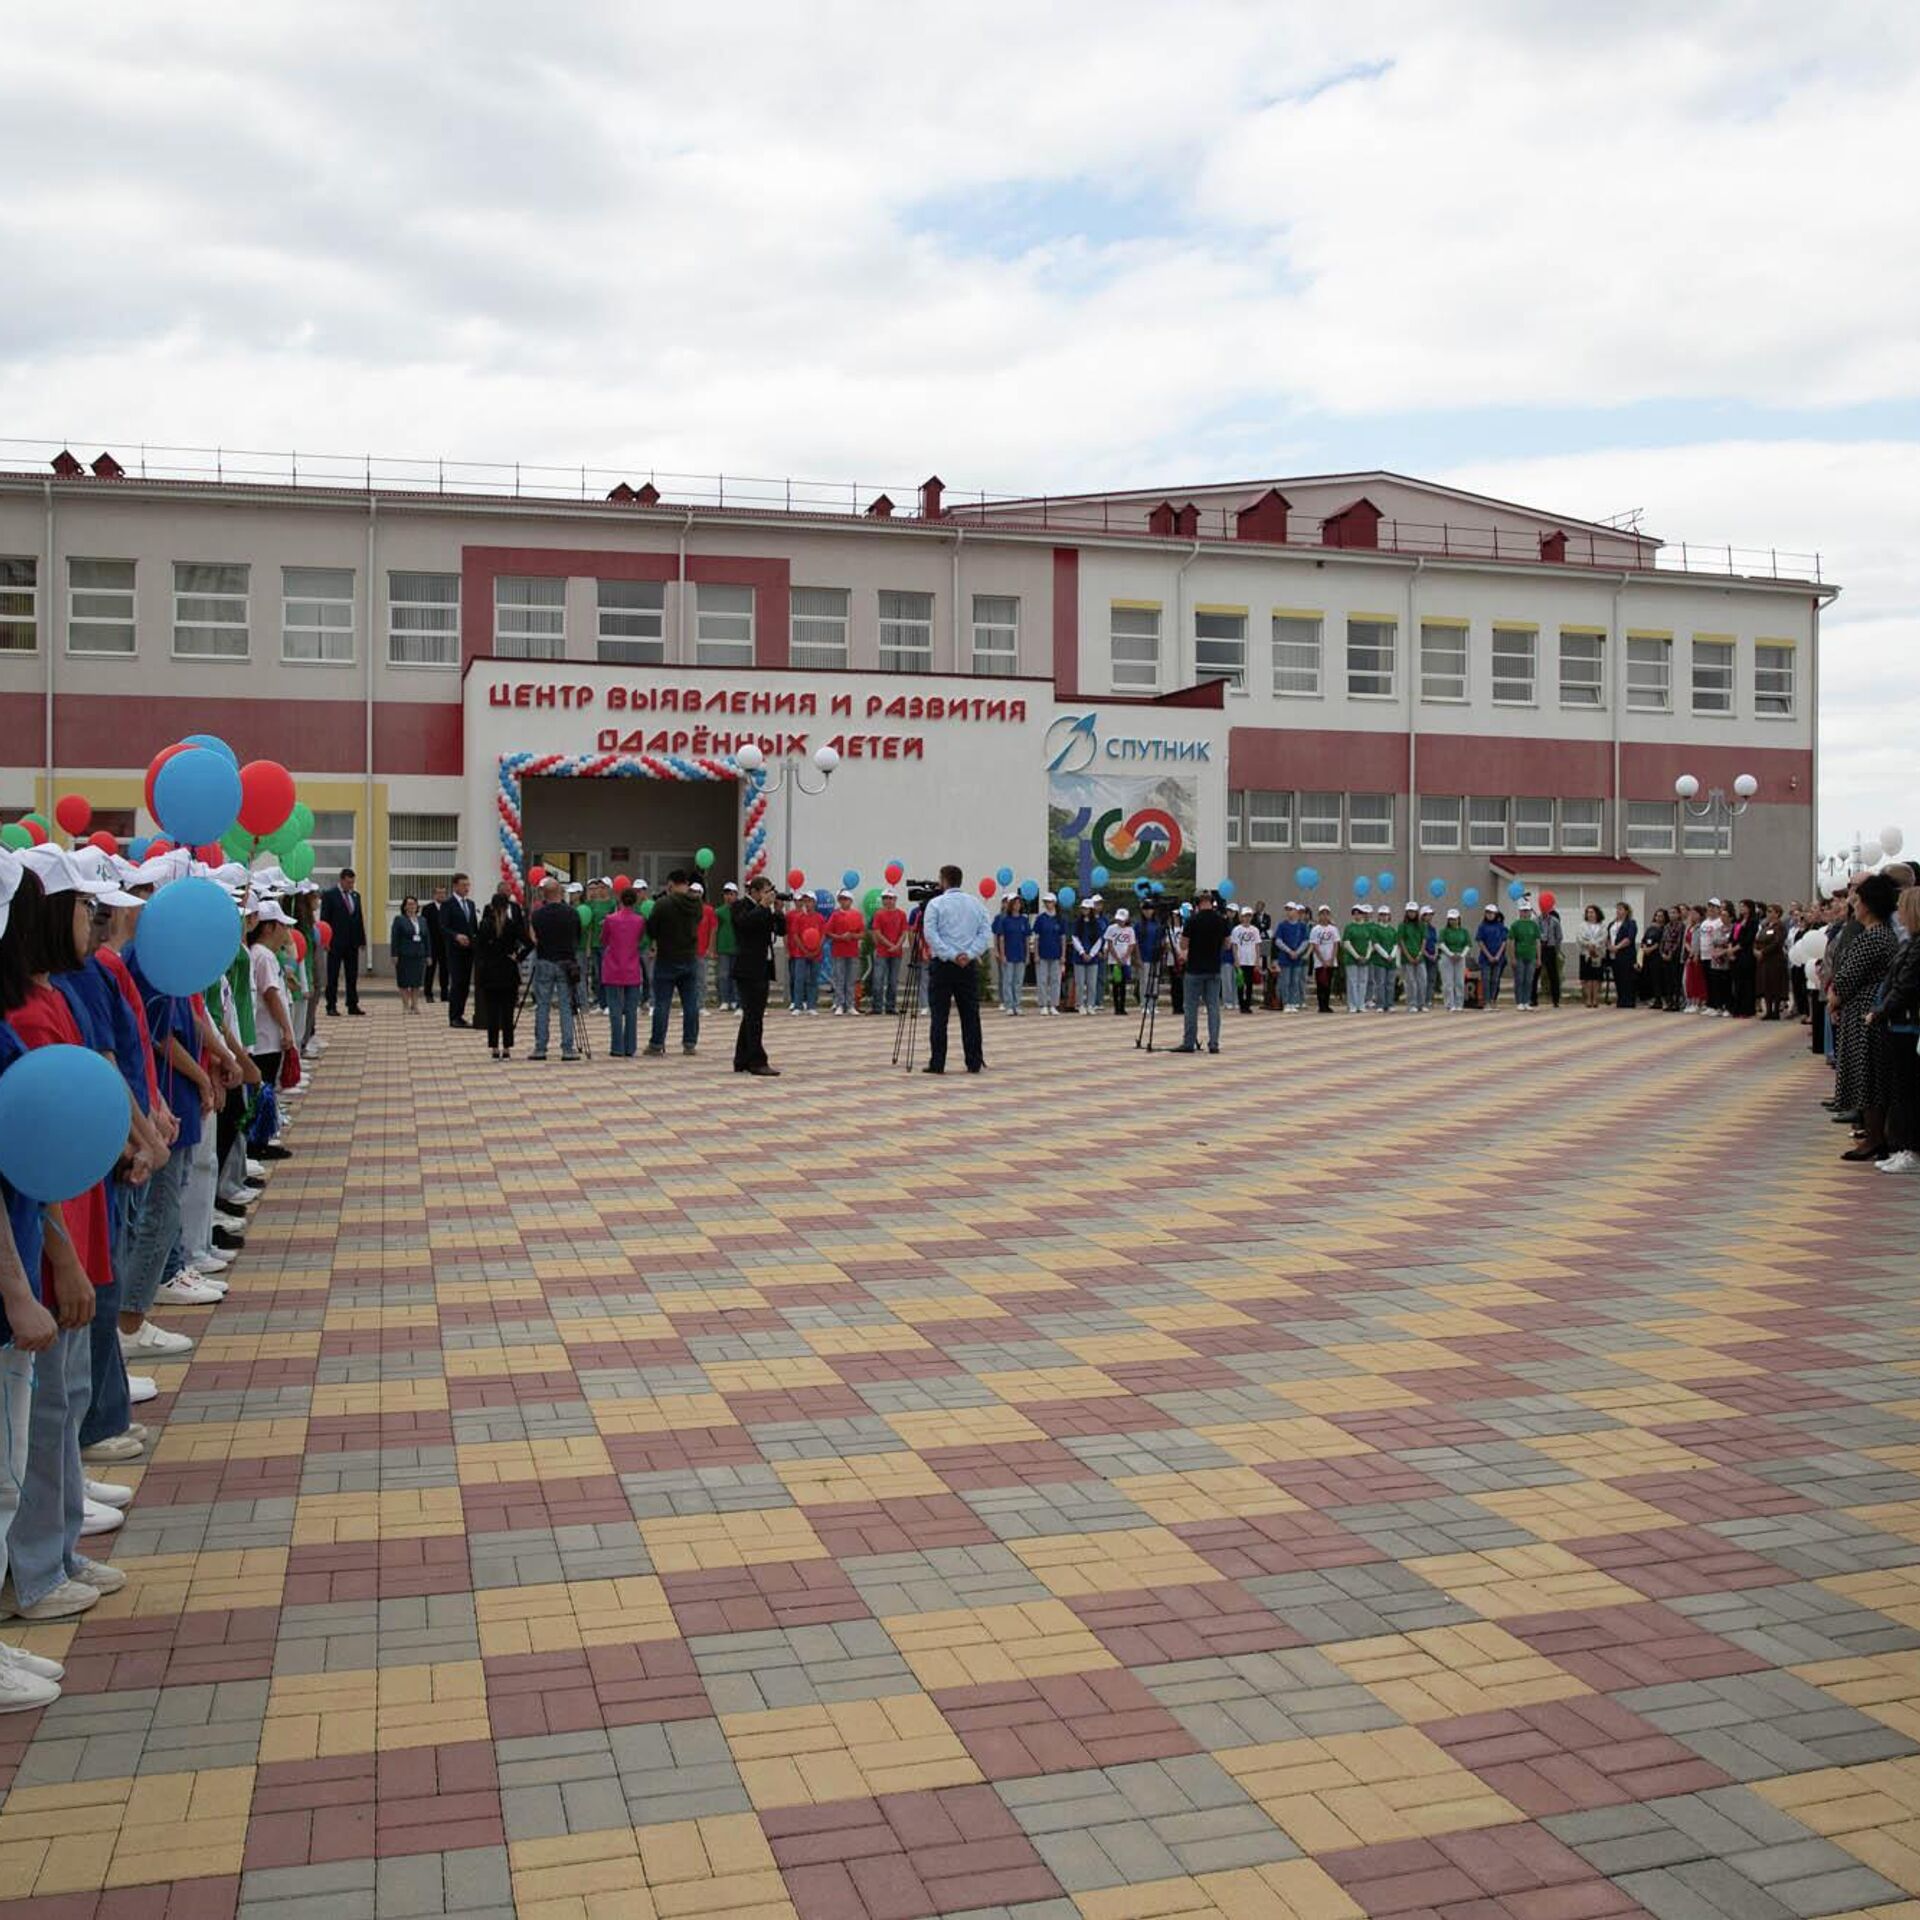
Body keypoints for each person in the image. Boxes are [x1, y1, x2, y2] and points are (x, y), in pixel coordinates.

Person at [1832, 871, 1900, 1146]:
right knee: (1865, 1074)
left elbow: (1848, 976)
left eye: (1858, 901)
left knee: (1868, 1076)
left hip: (1866, 1011)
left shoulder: (1874, 937)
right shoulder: (1878, 934)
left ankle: (1874, 1138)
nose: (1854, 906)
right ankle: (1871, 1134)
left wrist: (1836, 996)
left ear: (1869, 905)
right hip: (1861, 1008)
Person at [919, 865, 992, 1074]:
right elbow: (985, 933)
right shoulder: (976, 904)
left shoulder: (935, 904)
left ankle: (938, 1062)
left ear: (943, 880)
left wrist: (951, 954)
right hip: (967, 965)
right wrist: (968, 954)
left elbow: (931, 935)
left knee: (939, 1016)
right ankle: (974, 1060)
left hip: (943, 964)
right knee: (970, 1014)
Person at [1871, 887, 1920, 1174]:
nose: (1898, 914)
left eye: (1902, 907)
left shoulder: (1916, 947)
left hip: (1907, 1023)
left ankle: (1911, 1149)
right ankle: (1903, 1145)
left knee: (1908, 1090)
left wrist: (1880, 1010)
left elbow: (1905, 985)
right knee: (1901, 1089)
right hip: (1897, 1021)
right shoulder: (1910, 943)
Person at [728, 876, 786, 1075]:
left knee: (753, 1015)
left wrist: (778, 911)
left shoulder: (765, 910)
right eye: (765, 891)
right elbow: (743, 925)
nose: (768, 895)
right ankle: (757, 1061)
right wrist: (762, 906)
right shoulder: (740, 907)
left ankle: (741, 1059)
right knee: (754, 1016)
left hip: (763, 967)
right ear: (754, 891)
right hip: (747, 968)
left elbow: (781, 930)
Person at [646, 869, 704, 1055]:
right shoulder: (697, 904)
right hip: (689, 956)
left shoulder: (663, 904)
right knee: (690, 1003)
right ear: (686, 884)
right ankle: (690, 1043)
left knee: (662, 1003)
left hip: (667, 957)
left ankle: (656, 1044)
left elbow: (652, 929)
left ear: (670, 884)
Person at [526, 876, 582, 1062]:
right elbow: (577, 937)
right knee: (566, 1005)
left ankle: (540, 1047)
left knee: (543, 1005)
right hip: (566, 961)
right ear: (560, 893)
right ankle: (567, 1048)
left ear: (544, 894)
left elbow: (535, 938)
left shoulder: (537, 915)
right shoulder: (572, 913)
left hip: (544, 960)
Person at [1170, 892, 1230, 1053]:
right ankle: (1214, 1043)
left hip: (1195, 969)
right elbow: (1227, 945)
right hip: (1214, 968)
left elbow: (1183, 945)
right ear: (1212, 903)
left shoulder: (1192, 921)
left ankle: (1189, 1042)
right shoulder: (1222, 921)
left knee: (1191, 1007)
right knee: (1213, 1007)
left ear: (1197, 904)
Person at [474, 890, 528, 1059]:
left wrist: (482, 966)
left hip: (490, 972)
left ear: (491, 906)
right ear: (507, 907)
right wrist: (518, 957)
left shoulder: (484, 924)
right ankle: (507, 1047)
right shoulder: (512, 924)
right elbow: (530, 944)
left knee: (492, 1012)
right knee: (507, 1012)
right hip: (508, 971)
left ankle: (494, 1047)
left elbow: (478, 949)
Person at [600, 888, 647, 1057]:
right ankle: (630, 1046)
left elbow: (603, 939)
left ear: (620, 900)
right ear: (635, 901)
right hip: (632, 968)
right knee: (631, 1010)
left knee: (615, 1009)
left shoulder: (610, 919)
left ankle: (617, 1047)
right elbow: (639, 939)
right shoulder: (640, 920)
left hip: (612, 967)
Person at [319, 867, 367, 1016]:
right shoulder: (329, 895)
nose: (351, 885)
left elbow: (359, 919)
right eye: (348, 882)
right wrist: (325, 940)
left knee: (352, 975)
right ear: (341, 880)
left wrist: (362, 940)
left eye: (353, 882)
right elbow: (324, 919)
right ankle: (331, 1005)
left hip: (352, 943)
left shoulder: (355, 896)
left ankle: (352, 1004)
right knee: (333, 975)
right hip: (335, 943)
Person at [442, 872, 479, 1028]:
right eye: (464, 885)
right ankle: (454, 1016)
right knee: (457, 983)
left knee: (465, 984)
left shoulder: (470, 904)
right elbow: (443, 927)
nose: (466, 888)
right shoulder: (448, 904)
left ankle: (461, 1014)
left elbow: (473, 926)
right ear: (455, 886)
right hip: (455, 950)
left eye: (468, 885)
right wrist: (456, 936)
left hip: (469, 950)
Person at [826, 890, 866, 1015]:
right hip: (838, 952)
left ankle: (850, 1005)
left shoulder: (857, 915)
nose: (844, 901)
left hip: (852, 952)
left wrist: (852, 935)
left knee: (851, 980)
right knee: (839, 979)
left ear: (851, 901)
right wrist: (840, 937)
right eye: (841, 899)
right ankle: (839, 1004)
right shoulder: (835, 915)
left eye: (846, 899)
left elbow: (862, 934)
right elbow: (828, 932)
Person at [870, 887, 908, 1015]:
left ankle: (890, 1007)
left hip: (896, 953)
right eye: (885, 898)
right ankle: (877, 1007)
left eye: (890, 898)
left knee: (893, 981)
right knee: (878, 980)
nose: (887, 901)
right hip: (882, 952)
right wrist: (890, 944)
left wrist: (897, 945)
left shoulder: (901, 914)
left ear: (895, 899)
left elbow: (904, 932)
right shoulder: (878, 914)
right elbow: (877, 932)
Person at [389, 894, 427, 1014]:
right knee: (404, 981)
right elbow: (395, 937)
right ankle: (405, 1005)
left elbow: (427, 938)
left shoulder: (422, 920)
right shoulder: (399, 919)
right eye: (409, 904)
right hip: (404, 954)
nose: (412, 906)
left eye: (414, 904)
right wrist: (394, 954)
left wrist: (428, 954)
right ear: (404, 907)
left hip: (418, 954)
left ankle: (415, 1005)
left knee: (416, 981)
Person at [994, 897, 1032, 1015]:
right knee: (1008, 980)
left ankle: (1017, 1004)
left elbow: (1026, 938)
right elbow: (1001, 938)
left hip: (1020, 954)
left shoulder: (1024, 920)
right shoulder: (1005, 920)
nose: (1017, 906)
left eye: (1019, 904)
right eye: (1015, 904)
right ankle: (1009, 1005)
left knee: (1018, 981)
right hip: (1009, 954)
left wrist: (1027, 955)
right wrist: (1002, 954)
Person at [785, 892, 822, 1014]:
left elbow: (823, 935)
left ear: (814, 903)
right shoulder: (799, 917)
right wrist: (804, 950)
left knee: (813, 979)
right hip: (801, 954)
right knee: (799, 979)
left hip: (816, 954)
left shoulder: (819, 918)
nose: (808, 904)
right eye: (805, 901)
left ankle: (811, 1006)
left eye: (810, 901)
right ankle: (797, 1005)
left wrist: (817, 949)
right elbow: (795, 935)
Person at [1032, 892, 1065, 1015]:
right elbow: (1036, 937)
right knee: (1042, 980)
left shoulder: (1059, 919)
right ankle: (1043, 1004)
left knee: (1055, 980)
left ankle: (1054, 1005)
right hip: (1042, 954)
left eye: (1050, 902)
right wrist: (1035, 954)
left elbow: (1062, 938)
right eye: (1046, 902)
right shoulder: (1040, 919)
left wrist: (1063, 955)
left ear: (1054, 903)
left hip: (1056, 954)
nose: (1047, 904)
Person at [1756, 904, 1789, 1020]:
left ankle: (1776, 1011)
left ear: (1777, 913)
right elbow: (1758, 939)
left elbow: (1777, 942)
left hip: (1775, 960)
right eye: (1768, 911)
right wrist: (1756, 949)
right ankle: (1768, 1010)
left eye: (1771, 911)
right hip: (1764, 961)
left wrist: (1763, 951)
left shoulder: (1780, 926)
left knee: (1775, 985)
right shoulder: (1765, 926)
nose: (1768, 914)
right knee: (1766, 985)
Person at [1104, 906, 1139, 1015]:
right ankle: (1116, 1006)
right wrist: (1117, 958)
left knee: (1123, 984)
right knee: (1116, 983)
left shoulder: (1130, 930)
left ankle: (1122, 1006)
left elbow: (1131, 945)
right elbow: (1109, 944)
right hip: (1114, 961)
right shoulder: (1111, 928)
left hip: (1125, 961)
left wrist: (1125, 957)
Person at [1070, 901, 1103, 1016]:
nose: (1085, 911)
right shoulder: (1077, 923)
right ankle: (1080, 1004)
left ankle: (1090, 1004)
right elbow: (1074, 938)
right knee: (1080, 983)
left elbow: (1099, 940)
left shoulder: (1096, 924)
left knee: (1091, 983)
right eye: (1083, 908)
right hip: (1079, 958)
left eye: (1087, 909)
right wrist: (1082, 952)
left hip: (1092, 958)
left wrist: (1092, 954)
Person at [1273, 906, 1308, 1013]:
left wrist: (1297, 952)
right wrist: (1289, 951)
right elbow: (1278, 941)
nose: (1289, 912)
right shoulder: (1282, 925)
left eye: (1291, 910)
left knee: (1295, 981)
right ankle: (1286, 1003)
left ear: (1296, 912)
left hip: (1297, 958)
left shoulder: (1301, 926)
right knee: (1286, 981)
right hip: (1285, 958)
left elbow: (1305, 941)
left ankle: (1293, 1002)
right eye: (1287, 910)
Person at [1228, 907, 1261, 1014]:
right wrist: (1236, 959)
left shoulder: (1255, 930)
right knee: (1240, 983)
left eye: (1249, 916)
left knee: (1249, 984)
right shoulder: (1237, 930)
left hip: (1251, 960)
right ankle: (1241, 1004)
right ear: (1241, 917)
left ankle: (1248, 1004)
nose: (1247, 918)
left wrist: (1257, 960)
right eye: (1245, 916)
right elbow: (1234, 946)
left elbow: (1257, 946)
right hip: (1241, 960)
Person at [714, 881, 741, 1014]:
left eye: (731, 894)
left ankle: (735, 999)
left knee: (735, 975)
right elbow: (714, 930)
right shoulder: (719, 912)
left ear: (736, 895)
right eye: (726, 894)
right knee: (723, 975)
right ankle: (724, 1000)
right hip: (723, 947)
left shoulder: (740, 910)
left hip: (737, 947)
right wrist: (713, 948)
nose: (729, 897)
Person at [1397, 903, 1428, 1014]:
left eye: (1414, 911)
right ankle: (1412, 1004)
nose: (1412, 913)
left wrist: (1420, 954)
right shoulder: (1402, 925)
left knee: (1422, 981)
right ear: (1406, 912)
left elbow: (1424, 940)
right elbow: (1401, 941)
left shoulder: (1422, 925)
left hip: (1420, 958)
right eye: (1410, 911)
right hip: (1407, 959)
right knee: (1411, 982)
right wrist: (1408, 956)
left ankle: (1422, 1004)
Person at [1474, 906, 1508, 1007]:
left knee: (1495, 980)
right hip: (1485, 959)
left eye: (1492, 913)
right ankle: (1487, 1001)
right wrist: (1488, 955)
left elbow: (1504, 942)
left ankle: (1493, 1000)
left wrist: (1498, 955)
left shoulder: (1500, 926)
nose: (1490, 915)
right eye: (1488, 913)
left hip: (1498, 958)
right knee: (1486, 980)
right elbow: (1480, 942)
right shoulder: (1482, 926)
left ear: (1495, 914)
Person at [1607, 901, 1639, 1009]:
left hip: (1626, 954)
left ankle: (1629, 1000)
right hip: (1614, 955)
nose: (1618, 911)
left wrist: (1618, 947)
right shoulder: (1612, 924)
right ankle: (1621, 999)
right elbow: (1607, 937)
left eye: (1620, 909)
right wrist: (1610, 946)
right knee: (1618, 976)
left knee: (1627, 977)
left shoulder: (1631, 923)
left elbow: (1629, 938)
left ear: (1626, 911)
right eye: (1617, 909)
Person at [1340, 904, 1371, 1013]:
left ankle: (1361, 1004)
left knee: (1363, 981)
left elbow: (1370, 943)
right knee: (1352, 981)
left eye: (1359, 913)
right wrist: (1357, 956)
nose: (1357, 915)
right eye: (1355, 913)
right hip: (1351, 959)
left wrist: (1367, 956)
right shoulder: (1349, 927)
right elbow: (1347, 943)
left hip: (1364, 959)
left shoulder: (1367, 927)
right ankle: (1352, 1004)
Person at [1308, 905, 1339, 1013]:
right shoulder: (1315, 929)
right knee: (1320, 984)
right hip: (1319, 962)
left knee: (1328, 984)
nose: (1324, 916)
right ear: (1319, 915)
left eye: (1327, 914)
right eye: (1322, 914)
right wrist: (1322, 960)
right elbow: (1314, 945)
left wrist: (1331, 958)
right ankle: (1321, 1005)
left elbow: (1336, 944)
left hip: (1330, 961)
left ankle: (1326, 1004)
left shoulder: (1333, 929)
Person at [1509, 902, 1540, 1010]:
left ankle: (1527, 1001)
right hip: (1519, 955)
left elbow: (1537, 942)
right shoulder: (1515, 925)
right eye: (1523, 911)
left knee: (1529, 979)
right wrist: (1512, 957)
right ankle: (1519, 1001)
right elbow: (1512, 942)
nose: (1525, 913)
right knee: (1519, 979)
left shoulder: (1534, 925)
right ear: (1520, 912)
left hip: (1531, 956)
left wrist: (1538, 957)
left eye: (1527, 911)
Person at [1575, 905, 1606, 1009]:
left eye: (1592, 912)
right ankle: (1588, 999)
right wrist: (1588, 945)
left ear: (1597, 913)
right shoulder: (1582, 926)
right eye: (1588, 912)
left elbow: (1604, 938)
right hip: (1586, 954)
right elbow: (1579, 938)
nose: (1590, 914)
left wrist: (1595, 945)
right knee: (1587, 977)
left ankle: (1595, 999)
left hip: (1597, 954)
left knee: (1596, 978)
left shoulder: (1602, 926)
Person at [420, 884, 447, 1004]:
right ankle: (428, 993)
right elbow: (424, 928)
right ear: (434, 895)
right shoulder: (428, 909)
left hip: (445, 945)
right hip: (432, 944)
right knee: (430, 969)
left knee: (445, 970)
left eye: (443, 893)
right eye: (439, 893)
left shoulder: (448, 907)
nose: (441, 895)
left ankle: (445, 994)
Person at [1537, 898, 1564, 1008]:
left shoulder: (1554, 921)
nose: (1544, 910)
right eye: (1542, 908)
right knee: (1535, 974)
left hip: (1550, 948)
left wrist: (1556, 949)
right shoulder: (1536, 920)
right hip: (1539, 948)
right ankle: (1532, 999)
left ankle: (1556, 1000)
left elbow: (1559, 936)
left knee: (1554, 975)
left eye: (1546, 908)